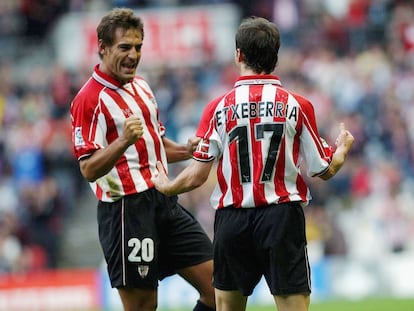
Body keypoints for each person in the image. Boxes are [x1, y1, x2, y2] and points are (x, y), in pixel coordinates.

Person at [151, 16, 354, 311]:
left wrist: (167, 186)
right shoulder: (297, 105)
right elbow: (324, 169)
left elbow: (196, 176)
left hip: (232, 220)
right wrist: (343, 149)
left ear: (239, 55)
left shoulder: (217, 107)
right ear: (275, 57)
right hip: (281, 218)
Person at [70, 8, 215, 311]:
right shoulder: (89, 99)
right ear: (103, 48)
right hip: (127, 210)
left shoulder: (142, 87)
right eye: (125, 47)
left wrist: (186, 150)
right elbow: (88, 168)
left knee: (220, 289)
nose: (133, 55)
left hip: (163, 199)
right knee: (143, 306)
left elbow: (155, 144)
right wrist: (123, 140)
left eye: (138, 47)